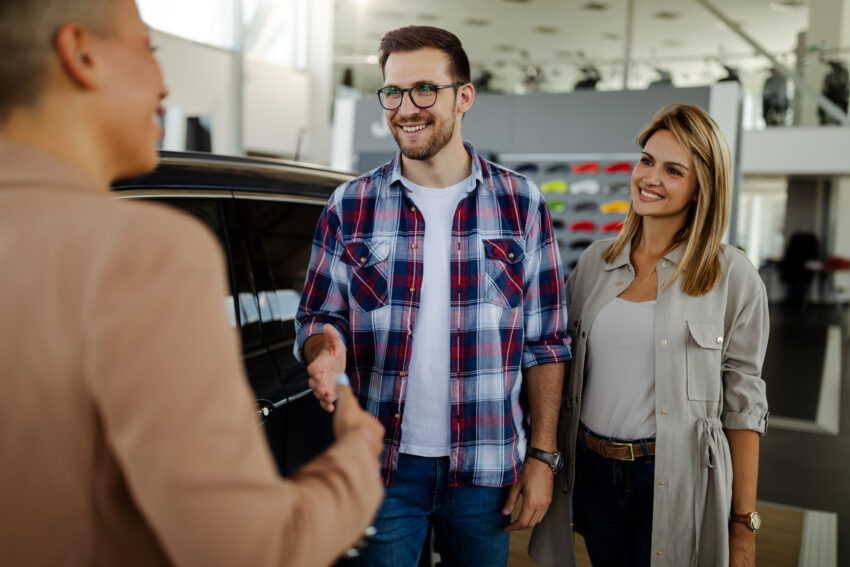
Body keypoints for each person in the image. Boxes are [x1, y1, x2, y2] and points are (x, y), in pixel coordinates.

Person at [0, 1, 383, 565]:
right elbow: (255, 549)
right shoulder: (139, 253)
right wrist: (358, 446)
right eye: (149, 49)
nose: (164, 81)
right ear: (80, 53)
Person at [295, 25, 571, 567]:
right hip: (384, 467)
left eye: (424, 89)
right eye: (392, 92)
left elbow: (547, 343)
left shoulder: (521, 204)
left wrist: (543, 457)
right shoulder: (349, 205)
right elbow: (319, 315)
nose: (405, 108)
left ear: (463, 96)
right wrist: (325, 349)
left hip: (487, 468)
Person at [529, 104, 769, 567]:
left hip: (673, 476)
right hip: (592, 471)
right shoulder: (595, 263)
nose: (650, 177)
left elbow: (744, 407)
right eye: (647, 160)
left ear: (702, 189)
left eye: (673, 170)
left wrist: (744, 523)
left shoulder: (732, 276)